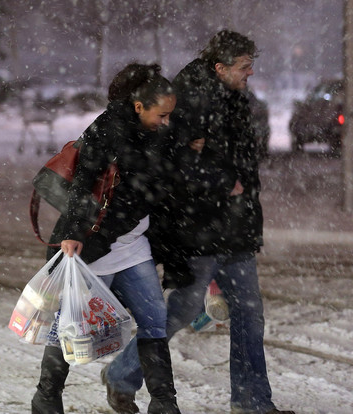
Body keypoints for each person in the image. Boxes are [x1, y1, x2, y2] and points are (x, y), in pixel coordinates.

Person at [101, 31, 295, 414]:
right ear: (220, 67)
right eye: (244, 66)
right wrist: (222, 181)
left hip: (233, 223)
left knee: (249, 310)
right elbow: (171, 160)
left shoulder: (231, 97)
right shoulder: (187, 99)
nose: (251, 72)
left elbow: (234, 155)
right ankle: (121, 374)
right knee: (183, 308)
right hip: (197, 225)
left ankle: (253, 402)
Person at [30, 63, 181, 414]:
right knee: (69, 326)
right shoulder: (108, 129)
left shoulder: (159, 135)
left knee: (154, 321)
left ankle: (164, 404)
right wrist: (70, 233)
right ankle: (47, 398)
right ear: (139, 106)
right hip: (96, 245)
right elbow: (83, 183)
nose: (166, 122)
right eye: (162, 115)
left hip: (133, 246)